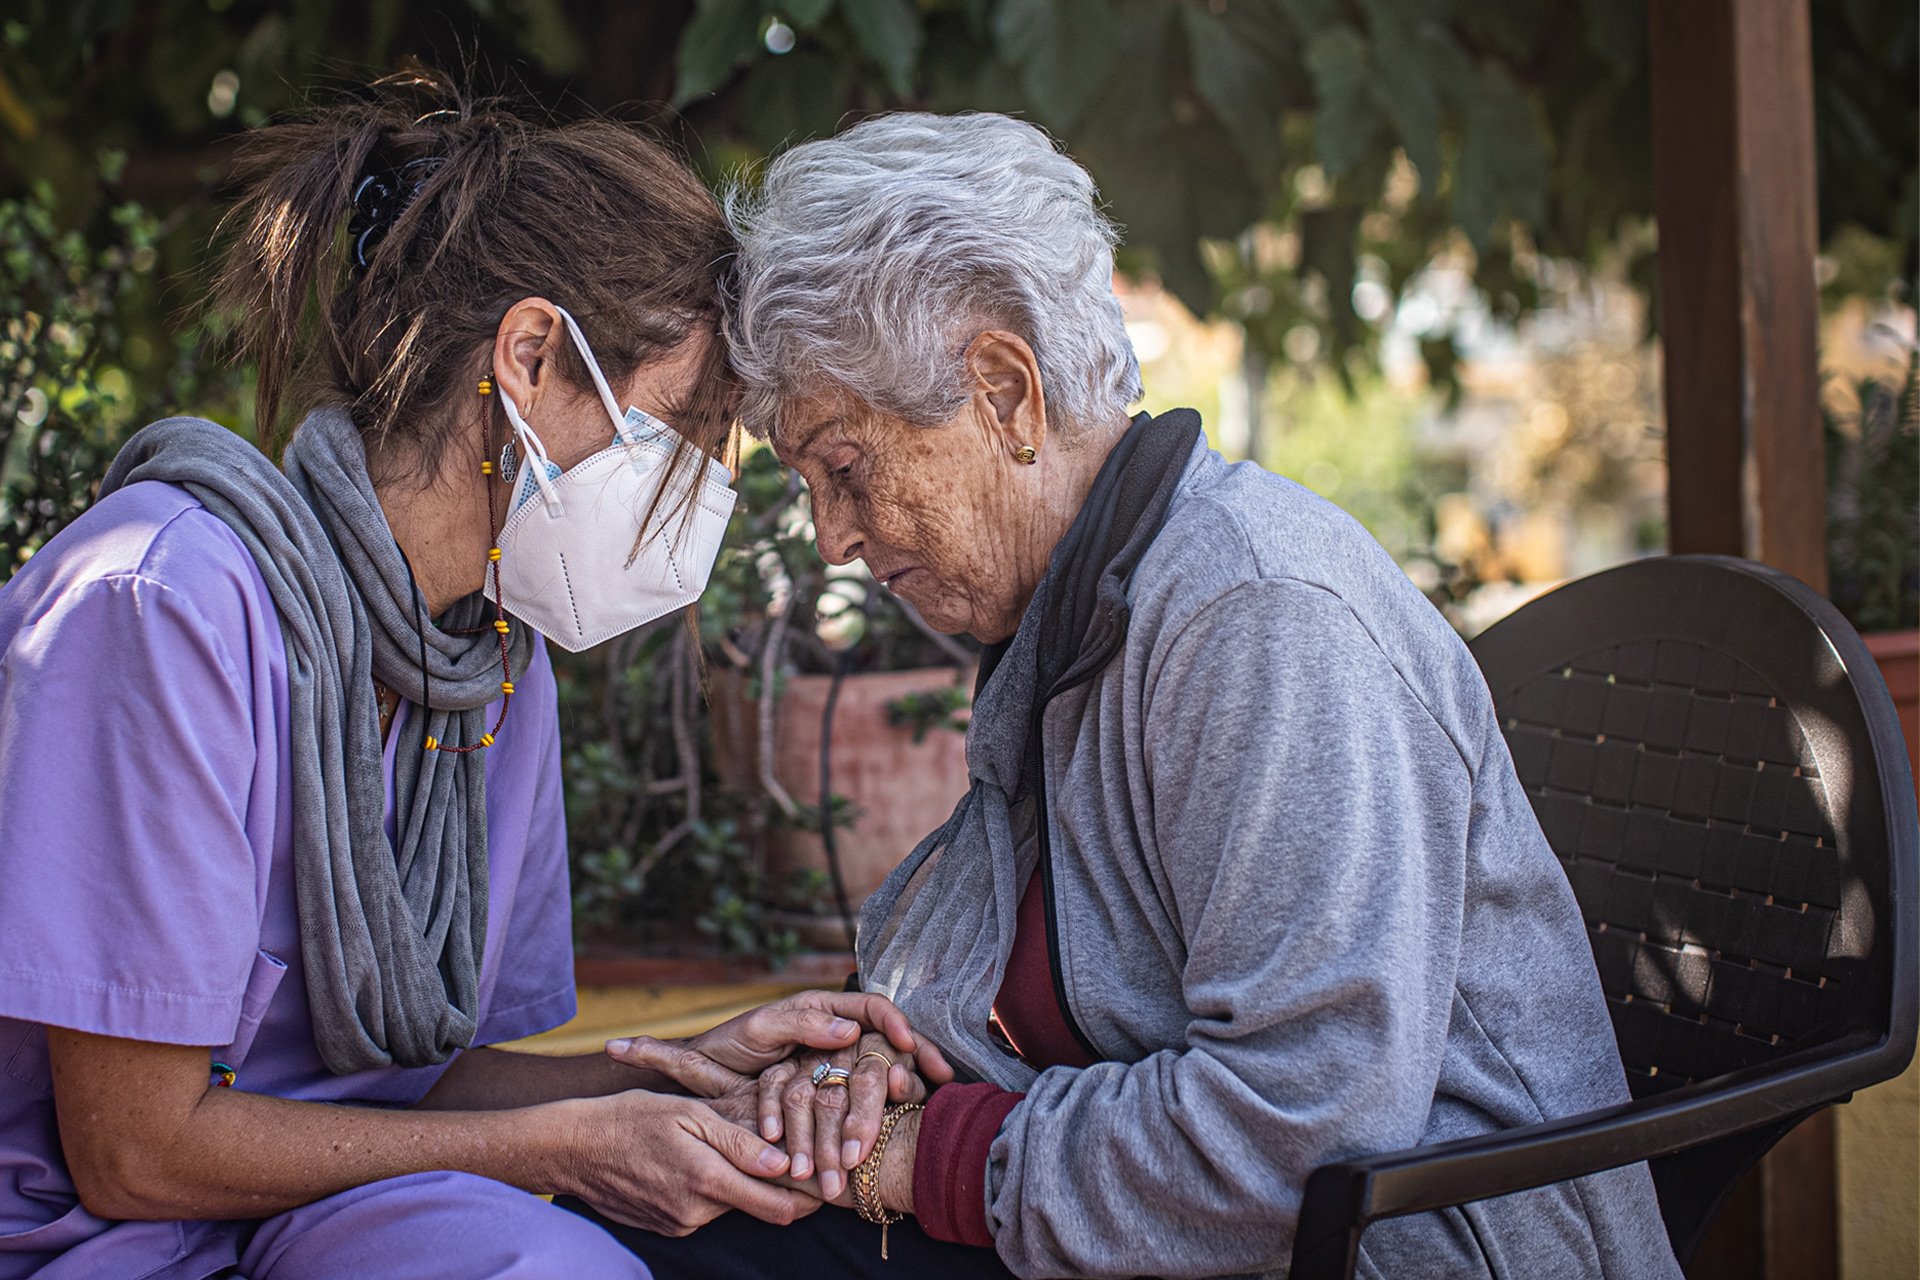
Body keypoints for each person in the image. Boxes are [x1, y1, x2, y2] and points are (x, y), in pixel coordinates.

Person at [585, 112, 1686, 1279]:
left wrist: (921, 1152)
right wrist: (880, 1063)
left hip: (1410, 1250)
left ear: (1005, 393)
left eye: (846, 469)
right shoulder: (1078, 608)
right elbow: (1014, 962)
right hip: (1201, 1229)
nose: (835, 538)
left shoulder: (1257, 613)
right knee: (666, 1222)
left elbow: (1306, 1132)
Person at [0, 73, 944, 1280]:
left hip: (308, 1214)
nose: (710, 488)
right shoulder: (162, 604)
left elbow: (411, 1073)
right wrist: (567, 1140)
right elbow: (133, 1151)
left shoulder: (489, 668)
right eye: (691, 430)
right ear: (534, 356)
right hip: (99, 1232)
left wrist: (686, 1064)